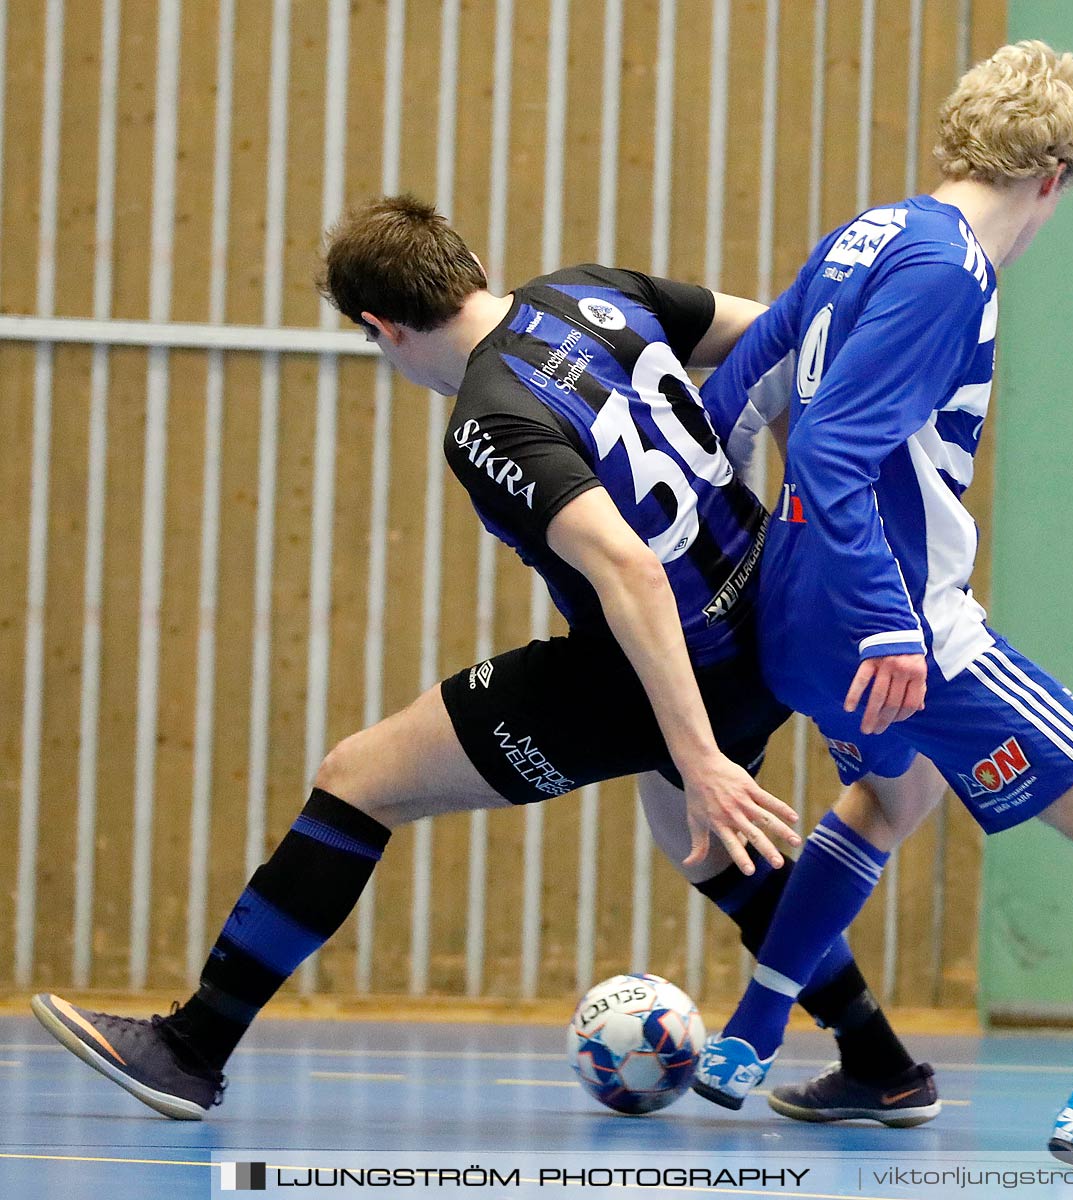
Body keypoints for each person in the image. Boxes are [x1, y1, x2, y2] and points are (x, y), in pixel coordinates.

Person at [30, 196, 936, 1127]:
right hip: (771, 609)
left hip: (670, 661)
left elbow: (628, 571)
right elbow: (796, 338)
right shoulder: (596, 292)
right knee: (703, 845)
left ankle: (191, 1047)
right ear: (463, 264)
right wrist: (805, 504)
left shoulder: (490, 419)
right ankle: (880, 1062)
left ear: (382, 328)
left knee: (359, 779)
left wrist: (700, 753)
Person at [690, 42, 1073, 1171]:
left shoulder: (869, 232)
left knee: (884, 800)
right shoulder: (951, 268)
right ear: (1051, 177)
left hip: (801, 620)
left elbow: (732, 394)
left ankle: (747, 1038)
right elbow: (839, 448)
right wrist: (891, 621)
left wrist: (744, 568)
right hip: (894, 627)